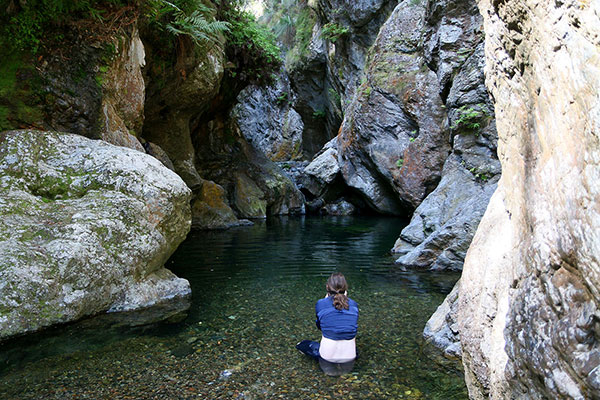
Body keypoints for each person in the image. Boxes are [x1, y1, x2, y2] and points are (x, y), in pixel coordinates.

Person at [296, 272, 359, 376]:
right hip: (350, 357)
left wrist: (326, 301)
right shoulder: (354, 304)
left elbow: (320, 327)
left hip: (327, 357)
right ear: (346, 289)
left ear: (327, 287)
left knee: (302, 344)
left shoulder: (321, 303)